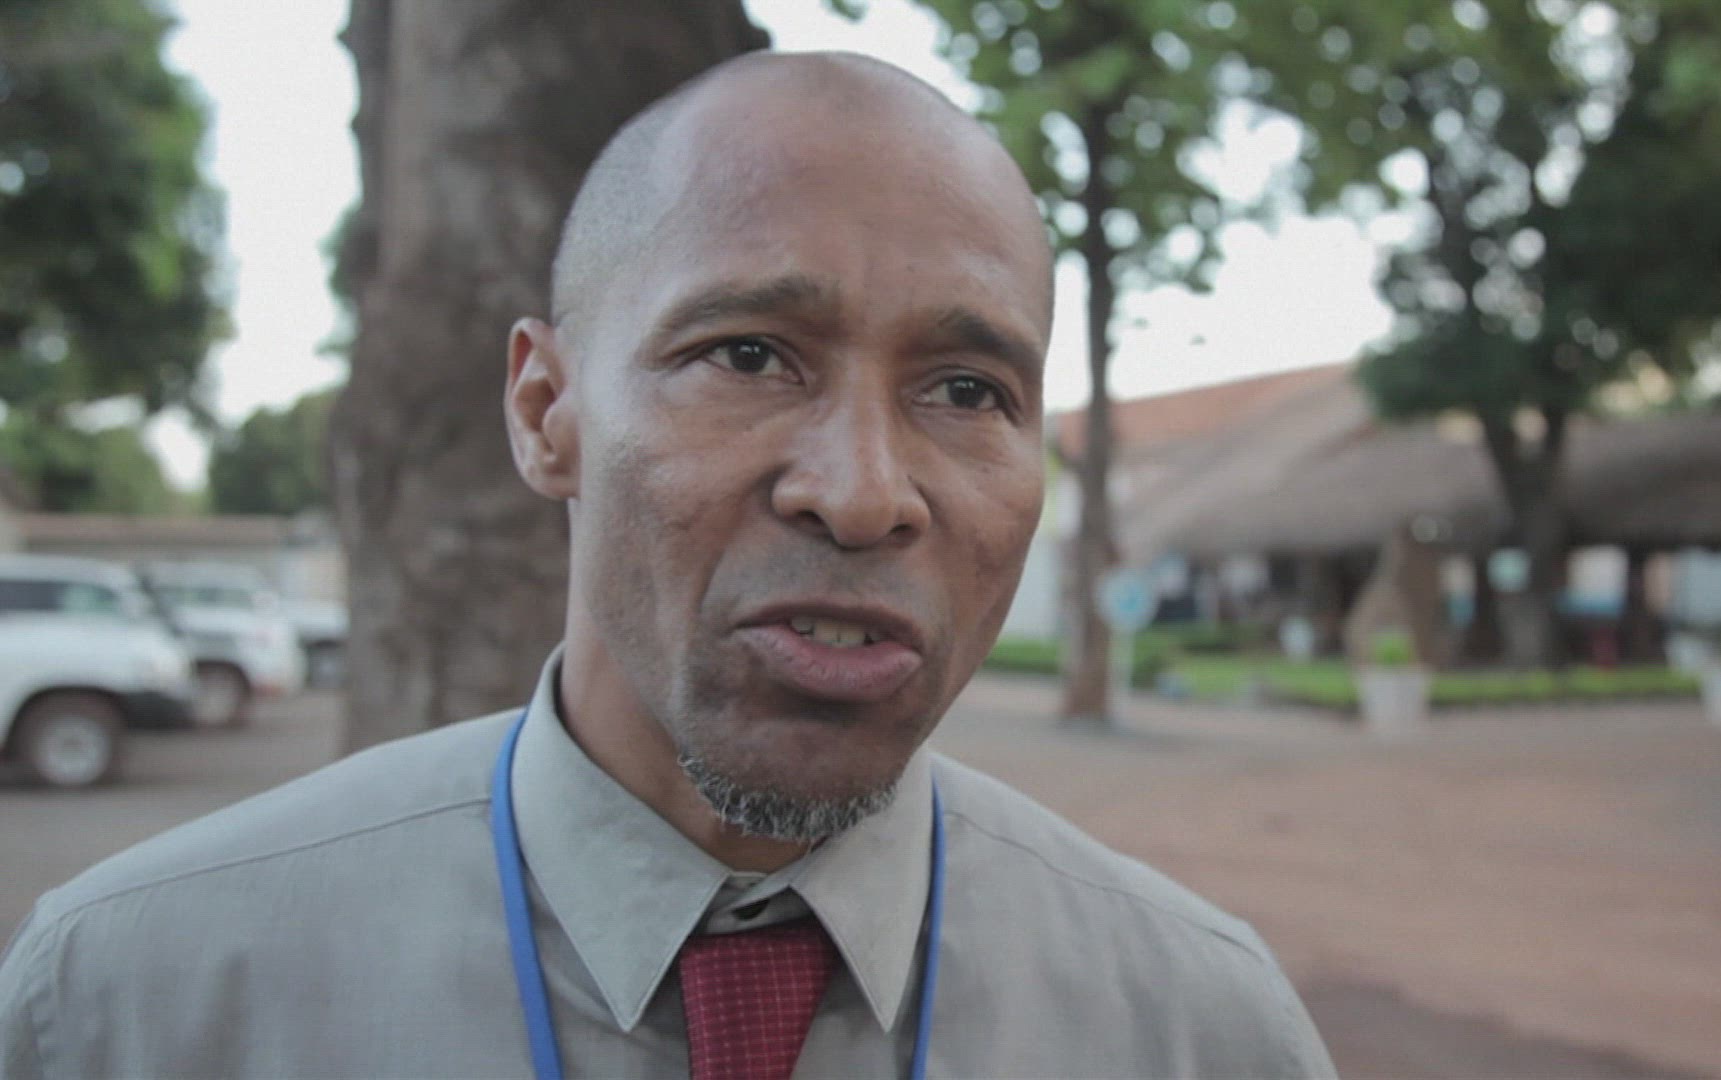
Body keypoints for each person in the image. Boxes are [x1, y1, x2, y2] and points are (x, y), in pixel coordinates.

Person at [0, 52, 1334, 1079]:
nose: (863, 494)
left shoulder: (1200, 1032)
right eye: (749, 356)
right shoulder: (134, 1001)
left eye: (967, 390)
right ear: (547, 413)